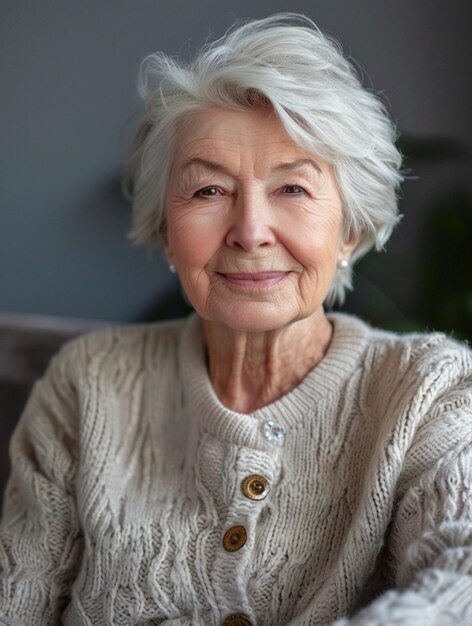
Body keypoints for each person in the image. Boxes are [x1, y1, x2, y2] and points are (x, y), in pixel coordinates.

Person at [1, 13, 471, 626]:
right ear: (167, 235)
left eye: (294, 190)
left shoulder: (429, 391)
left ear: (350, 229)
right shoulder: (88, 382)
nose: (250, 232)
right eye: (208, 191)